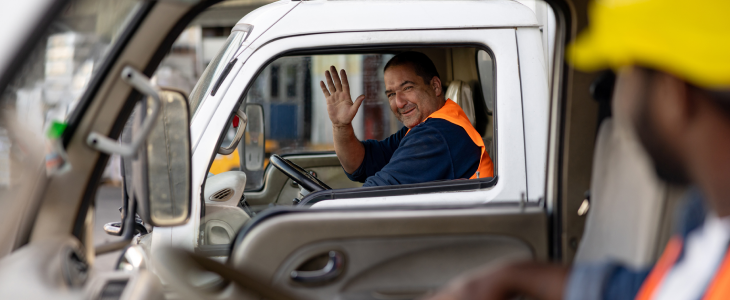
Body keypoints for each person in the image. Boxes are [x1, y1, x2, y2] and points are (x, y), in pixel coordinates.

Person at [424, 0, 730, 299]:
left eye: (625, 73)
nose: (617, 99)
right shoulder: (706, 225)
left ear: (673, 94)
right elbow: (655, 287)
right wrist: (513, 276)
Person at [319, 51, 494, 187]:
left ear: (435, 86)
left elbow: (377, 193)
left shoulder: (438, 134)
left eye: (408, 88)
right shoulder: (424, 127)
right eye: (391, 94)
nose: (399, 102)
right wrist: (341, 126)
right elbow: (361, 165)